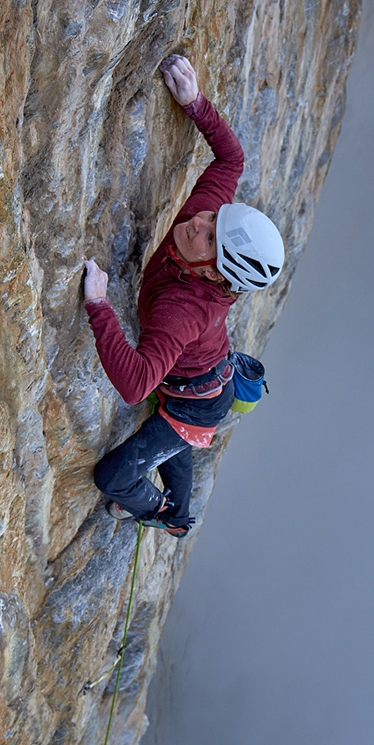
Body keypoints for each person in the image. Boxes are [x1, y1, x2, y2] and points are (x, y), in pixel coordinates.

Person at [83, 54, 284, 537]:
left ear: (216, 276)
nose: (198, 221)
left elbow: (135, 384)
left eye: (211, 238)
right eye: (216, 220)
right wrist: (195, 104)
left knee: (111, 477)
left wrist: (98, 308)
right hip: (204, 380)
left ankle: (164, 513)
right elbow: (231, 159)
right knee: (169, 433)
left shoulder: (182, 312)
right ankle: (176, 495)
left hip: (196, 403)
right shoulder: (205, 219)